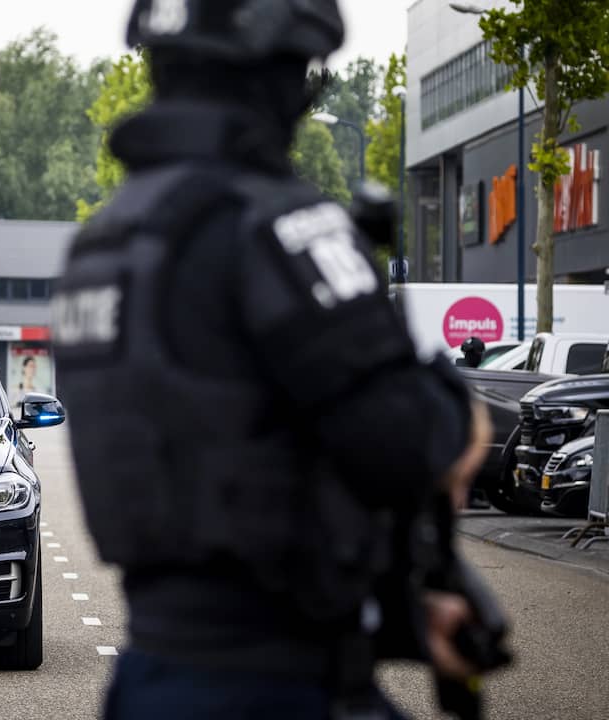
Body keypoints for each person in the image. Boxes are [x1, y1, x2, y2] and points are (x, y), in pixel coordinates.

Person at [52, 1, 495, 717]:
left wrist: (406, 617)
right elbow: (404, 440)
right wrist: (461, 417)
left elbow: (227, 449)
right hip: (276, 687)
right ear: (281, 82)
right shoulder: (274, 223)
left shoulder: (104, 244)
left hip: (153, 675)